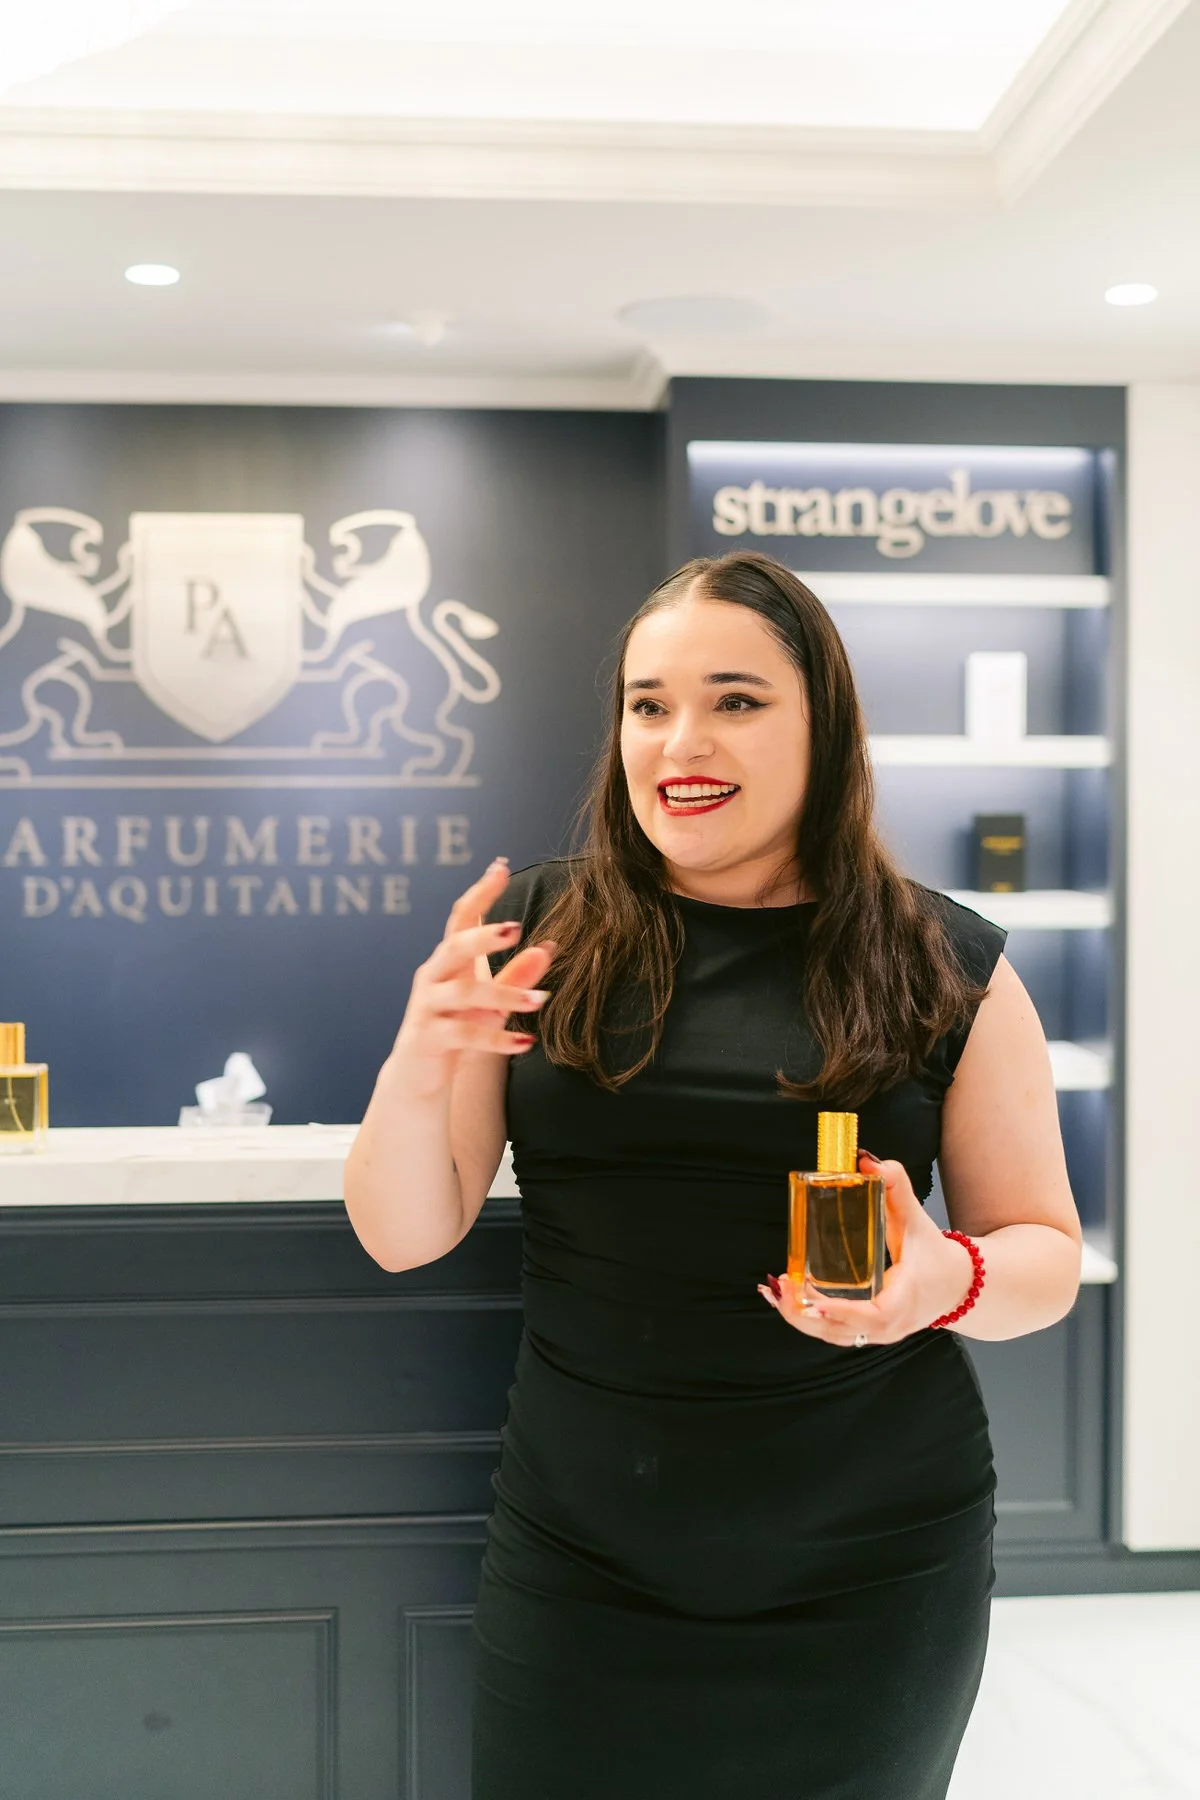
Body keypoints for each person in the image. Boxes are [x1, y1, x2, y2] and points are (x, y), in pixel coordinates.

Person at [344, 550, 1083, 1800]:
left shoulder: (944, 961)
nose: (680, 739)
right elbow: (404, 1233)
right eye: (648, 703)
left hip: (871, 1569)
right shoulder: (535, 935)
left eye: (737, 700)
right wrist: (422, 1057)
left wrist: (941, 1281)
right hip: (585, 1562)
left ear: (825, 727)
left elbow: (1045, 1260)